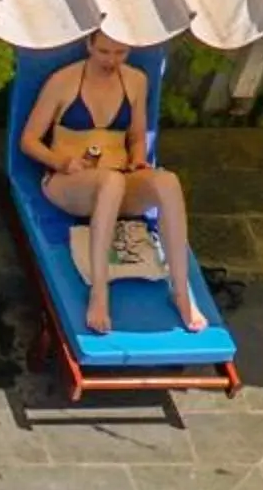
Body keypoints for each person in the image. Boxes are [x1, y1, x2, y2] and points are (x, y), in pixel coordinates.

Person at [19, 30, 204, 336]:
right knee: (111, 183)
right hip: (69, 181)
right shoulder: (63, 81)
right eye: (104, 52)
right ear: (89, 45)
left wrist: (139, 160)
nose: (111, 60)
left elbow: (136, 136)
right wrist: (62, 162)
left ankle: (181, 291)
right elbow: (29, 140)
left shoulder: (135, 81)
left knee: (167, 182)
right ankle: (99, 292)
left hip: (117, 177)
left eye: (120, 53)